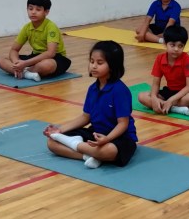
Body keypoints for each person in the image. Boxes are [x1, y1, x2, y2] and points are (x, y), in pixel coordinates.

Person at [44, 40, 138, 169]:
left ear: (113, 65)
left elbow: (123, 123)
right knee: (52, 142)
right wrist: (60, 130)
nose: (94, 66)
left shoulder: (120, 90)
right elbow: (85, 117)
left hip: (120, 137)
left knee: (109, 151)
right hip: (95, 133)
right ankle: (87, 156)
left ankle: (82, 148)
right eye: (92, 61)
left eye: (100, 63)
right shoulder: (92, 89)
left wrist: (107, 139)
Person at [0, 0, 71, 82]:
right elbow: (14, 50)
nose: (33, 12)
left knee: (47, 65)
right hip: (35, 56)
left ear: (46, 12)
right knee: (1, 60)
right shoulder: (27, 27)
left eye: (38, 9)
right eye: (30, 9)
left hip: (56, 58)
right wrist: (16, 63)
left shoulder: (51, 27)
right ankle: (28, 73)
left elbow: (50, 53)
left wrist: (25, 63)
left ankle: (23, 72)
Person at [136, 26, 189, 116]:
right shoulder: (160, 58)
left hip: (187, 92)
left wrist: (171, 100)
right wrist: (154, 98)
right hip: (170, 91)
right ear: (165, 43)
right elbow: (156, 83)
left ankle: (166, 106)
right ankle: (175, 108)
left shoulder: (188, 60)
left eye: (180, 46)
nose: (176, 49)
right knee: (142, 96)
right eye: (172, 45)